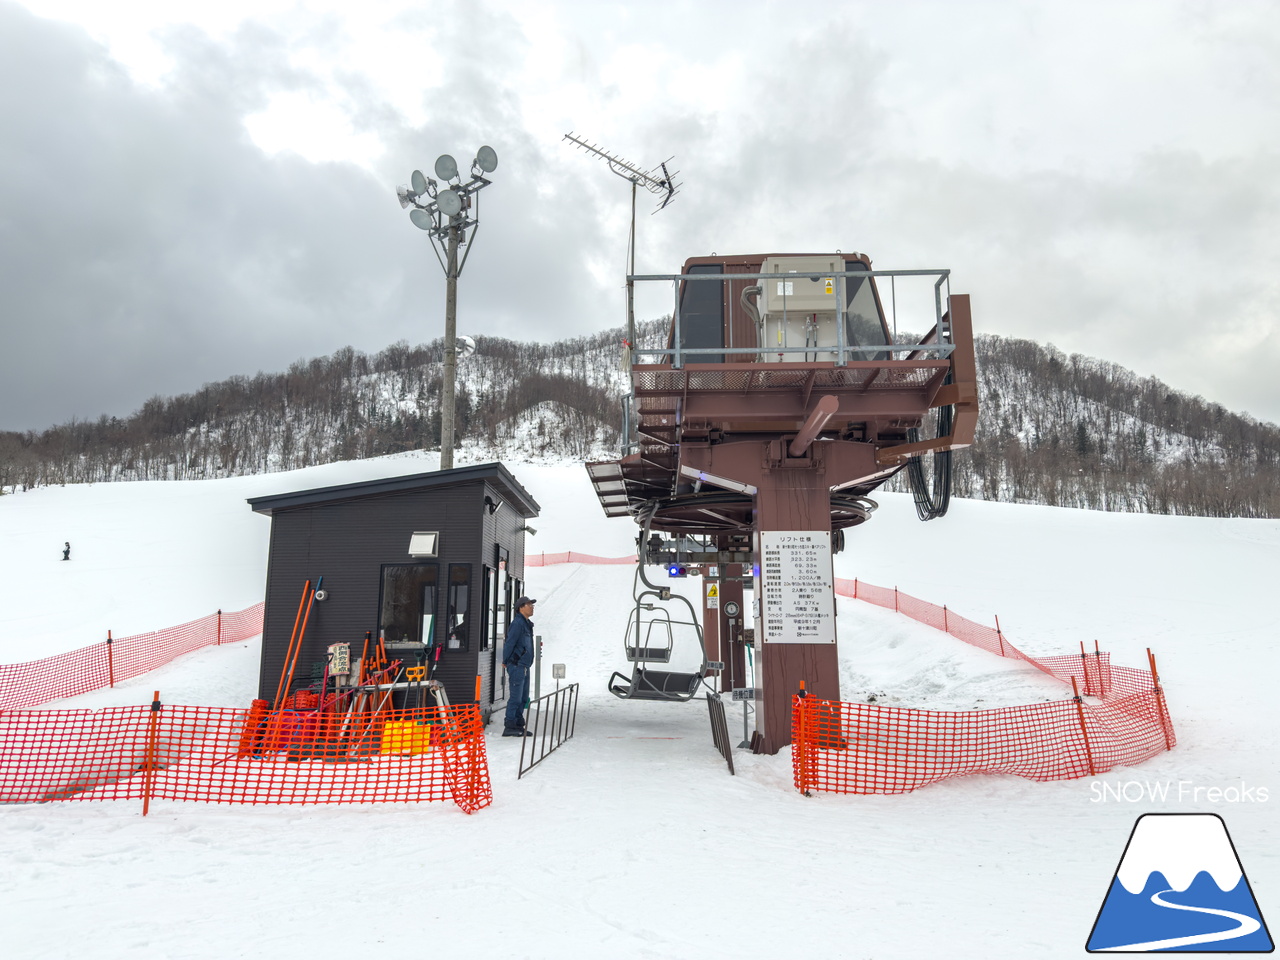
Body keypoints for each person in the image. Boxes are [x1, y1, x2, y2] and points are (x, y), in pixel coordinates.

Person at [501, 597, 537, 736]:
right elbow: (510, 643)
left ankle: (517, 725)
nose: (532, 607)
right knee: (516, 698)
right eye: (529, 605)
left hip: (524, 665)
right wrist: (506, 659)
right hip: (516, 665)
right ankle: (509, 725)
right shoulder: (517, 624)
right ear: (521, 607)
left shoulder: (526, 624)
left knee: (523, 697)